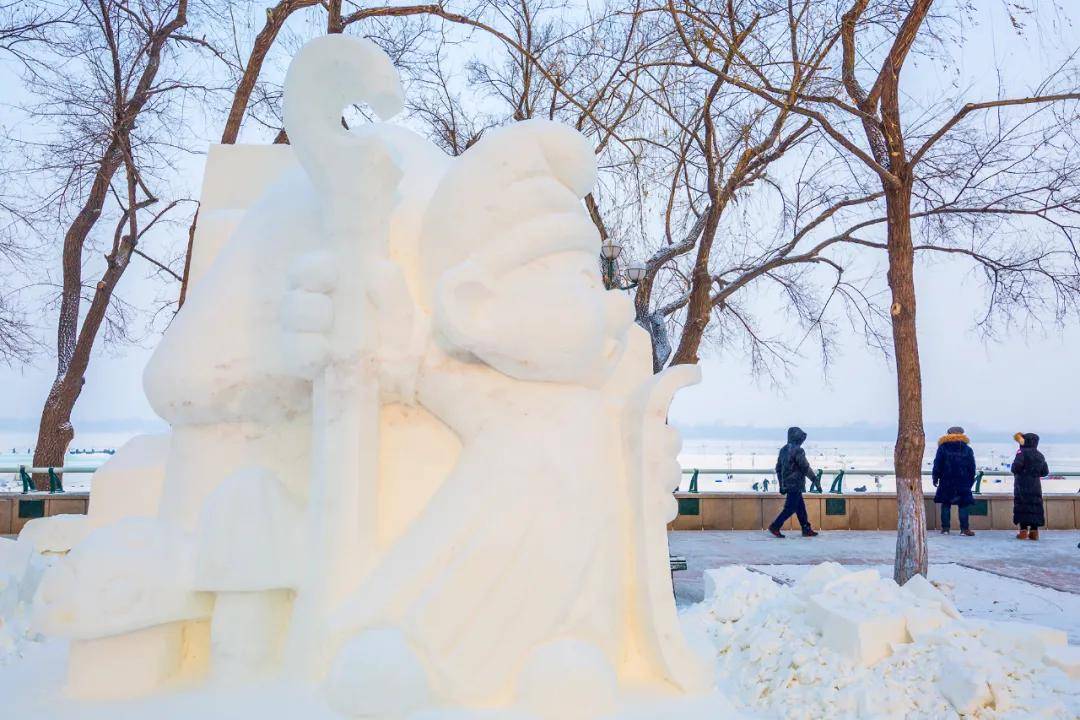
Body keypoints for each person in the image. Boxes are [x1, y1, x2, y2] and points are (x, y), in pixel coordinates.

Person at [767, 426, 819, 538]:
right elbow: (805, 467)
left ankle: (806, 528)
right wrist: (814, 479)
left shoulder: (783, 450)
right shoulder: (798, 450)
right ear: (797, 438)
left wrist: (781, 484)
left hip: (788, 484)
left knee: (800, 508)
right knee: (790, 508)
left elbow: (778, 468)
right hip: (795, 484)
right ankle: (775, 526)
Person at [931, 426, 977, 536]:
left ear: (948, 434)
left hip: (946, 480)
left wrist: (935, 477)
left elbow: (937, 464)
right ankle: (964, 529)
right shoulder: (967, 449)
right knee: (963, 505)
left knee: (946, 504)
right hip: (963, 481)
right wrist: (970, 481)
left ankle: (945, 529)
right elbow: (972, 467)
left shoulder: (943, 448)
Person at [1011, 432, 1049, 540]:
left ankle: (1023, 531)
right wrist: (1034, 474)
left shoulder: (1021, 453)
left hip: (1022, 485)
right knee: (1035, 506)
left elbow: (1015, 468)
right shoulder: (1040, 455)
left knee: (1022, 505)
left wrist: (1022, 472)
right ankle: (1034, 532)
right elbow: (1045, 472)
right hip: (1035, 485)